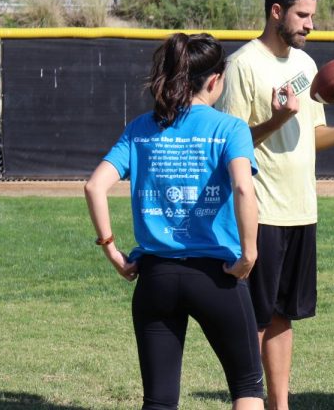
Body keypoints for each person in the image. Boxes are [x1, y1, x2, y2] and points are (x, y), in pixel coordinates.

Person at [216, 0, 334, 410]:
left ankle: (280, 404)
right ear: (276, 12)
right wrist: (276, 120)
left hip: (301, 211)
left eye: (312, 16)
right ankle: (248, 400)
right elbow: (228, 147)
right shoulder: (242, 66)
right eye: (303, 15)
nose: (311, 24)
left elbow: (311, 133)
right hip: (261, 212)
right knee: (253, 318)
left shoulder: (306, 67)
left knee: (283, 315)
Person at [85, 33, 264, 410]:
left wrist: (112, 251)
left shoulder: (141, 129)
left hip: (156, 277)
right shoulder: (229, 129)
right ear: (215, 80)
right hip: (217, 275)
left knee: (160, 400)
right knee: (247, 387)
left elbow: (93, 187)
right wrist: (248, 254)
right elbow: (244, 190)